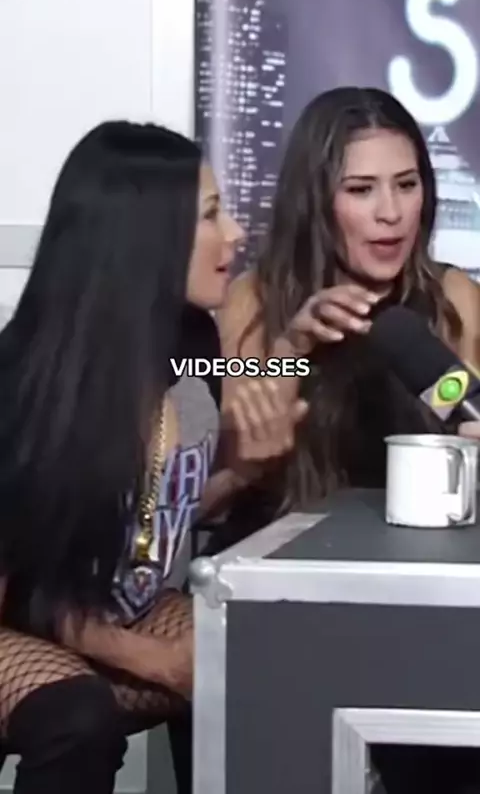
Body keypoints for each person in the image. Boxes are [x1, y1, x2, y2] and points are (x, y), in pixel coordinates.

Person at [0, 121, 306, 794]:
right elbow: (27, 591)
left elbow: (156, 507)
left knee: (254, 654)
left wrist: (248, 464)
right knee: (76, 717)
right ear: (148, 238)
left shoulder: (190, 347)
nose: (235, 233)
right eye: (210, 215)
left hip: (106, 605)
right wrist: (160, 661)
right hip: (18, 613)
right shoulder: (29, 381)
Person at [217, 86, 480, 793]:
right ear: (316, 200)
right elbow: (238, 455)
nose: (391, 213)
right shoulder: (255, 299)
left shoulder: (453, 299)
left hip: (429, 608)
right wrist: (293, 344)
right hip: (286, 607)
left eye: (407, 184)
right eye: (361, 190)